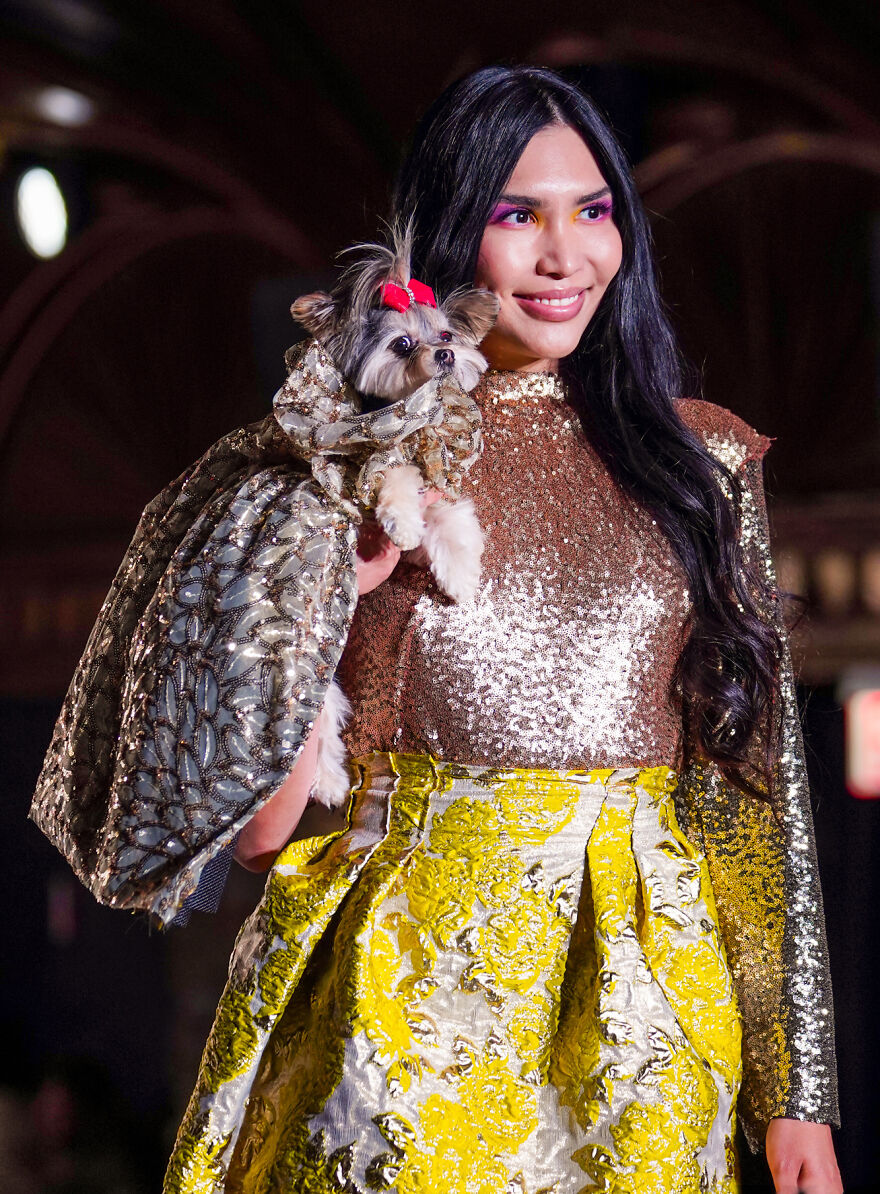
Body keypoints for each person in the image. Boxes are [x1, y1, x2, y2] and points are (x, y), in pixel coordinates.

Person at [164, 66, 841, 1193]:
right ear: (443, 233)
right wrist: (340, 576)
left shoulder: (699, 466)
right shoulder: (352, 459)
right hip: (410, 1005)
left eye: (593, 211)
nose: (564, 255)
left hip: (644, 1004)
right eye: (516, 215)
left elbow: (751, 801)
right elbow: (261, 835)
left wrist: (797, 1091)